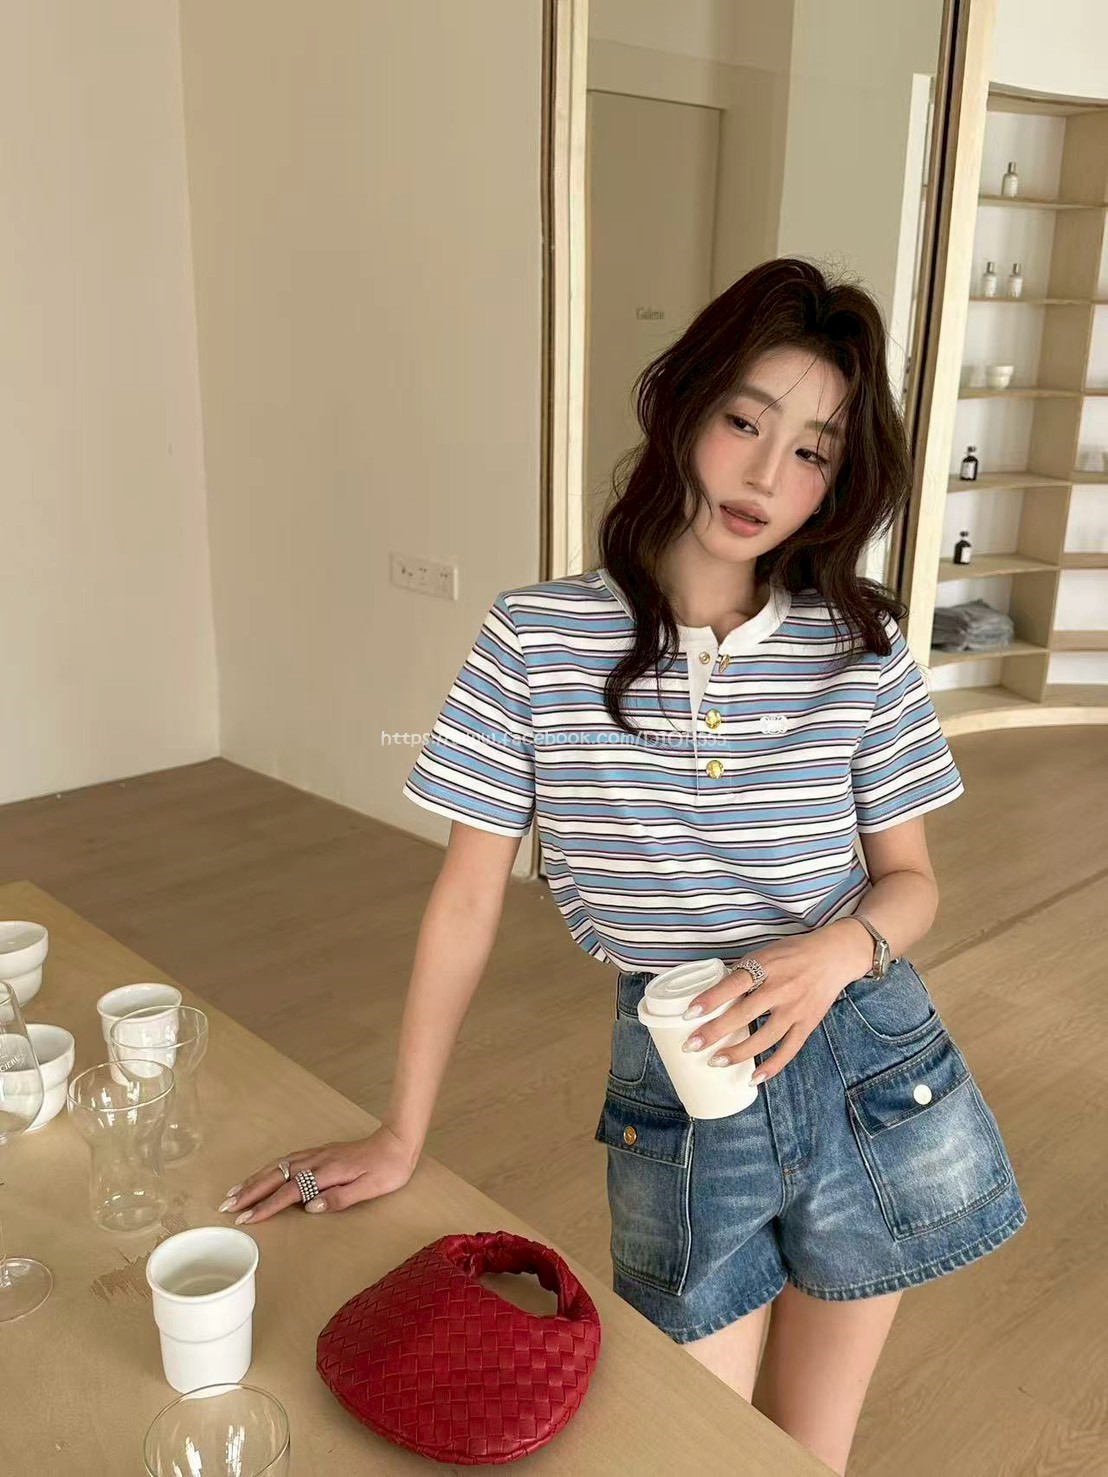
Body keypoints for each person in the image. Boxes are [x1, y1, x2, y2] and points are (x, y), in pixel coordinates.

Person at [221, 258, 1027, 1475]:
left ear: (839, 480)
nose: (766, 475)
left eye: (812, 451)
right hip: (680, 1075)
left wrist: (834, 953)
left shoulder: (861, 648)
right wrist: (401, 1130)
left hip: (866, 1064)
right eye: (745, 422)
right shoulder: (536, 636)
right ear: (684, 410)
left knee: (809, 1451)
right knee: (693, 1446)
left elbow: (910, 883)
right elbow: (465, 899)